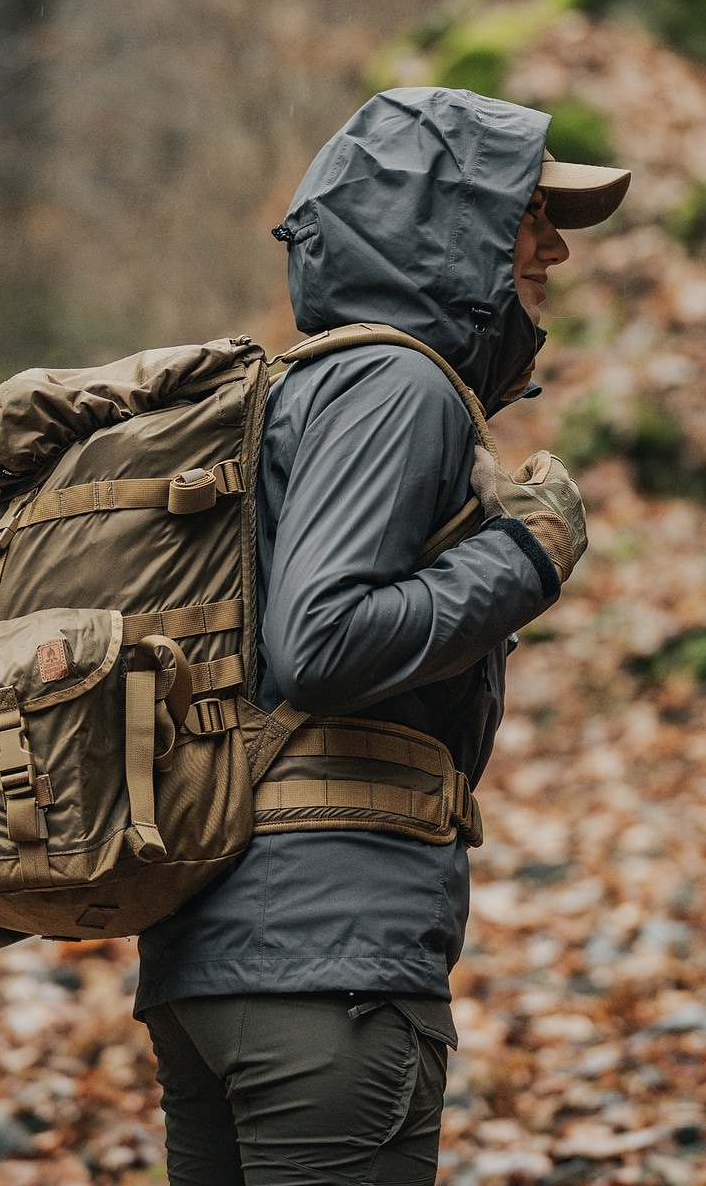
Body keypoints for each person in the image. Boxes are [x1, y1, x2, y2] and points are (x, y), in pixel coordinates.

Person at [133, 87, 630, 1186]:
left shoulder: (315, 386)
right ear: (442, 221)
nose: (552, 244)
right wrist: (530, 552)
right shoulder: (399, 383)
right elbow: (323, 637)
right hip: (326, 979)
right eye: (526, 212)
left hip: (226, 965)